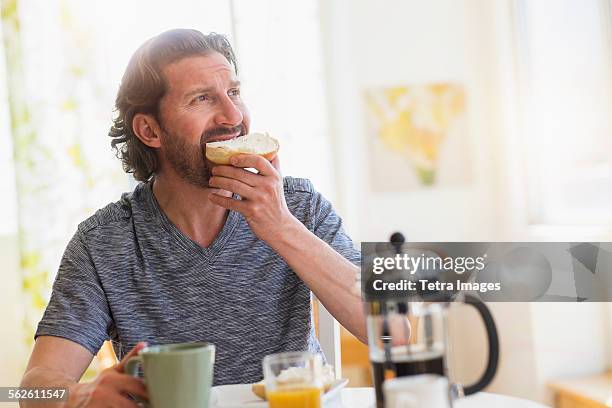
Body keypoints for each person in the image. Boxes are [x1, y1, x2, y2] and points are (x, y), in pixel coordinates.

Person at [20, 29, 365, 407]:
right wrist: (80, 396)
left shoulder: (299, 204)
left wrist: (281, 226)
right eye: (202, 99)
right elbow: (30, 391)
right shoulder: (102, 243)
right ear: (150, 130)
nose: (234, 116)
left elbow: (396, 329)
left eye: (234, 92)